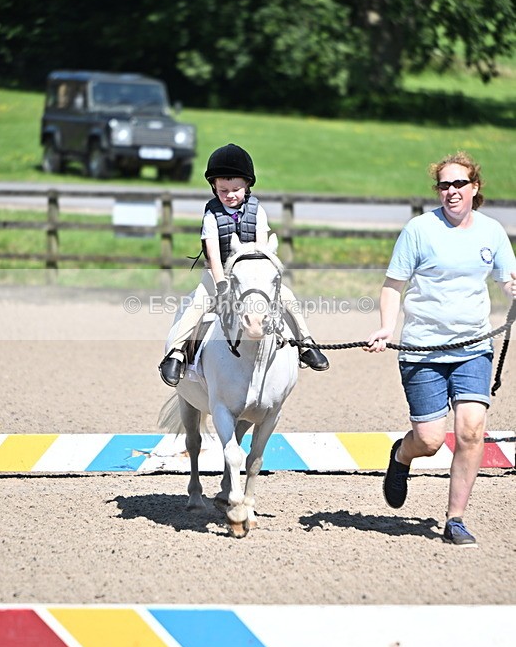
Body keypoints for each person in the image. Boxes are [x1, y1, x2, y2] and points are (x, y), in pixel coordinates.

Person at [365, 151, 516, 546]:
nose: (451, 191)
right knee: (430, 440)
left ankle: (456, 519)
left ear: (474, 188)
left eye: (458, 184)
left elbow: (507, 280)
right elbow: (392, 286)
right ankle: (402, 456)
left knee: (471, 431)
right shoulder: (419, 230)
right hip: (423, 350)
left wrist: (513, 288)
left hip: (472, 347)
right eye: (444, 185)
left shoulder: (491, 232)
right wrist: (385, 327)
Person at [159, 143, 329, 386]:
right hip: (218, 276)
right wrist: (220, 285)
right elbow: (214, 256)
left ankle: (306, 343)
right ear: (214, 188)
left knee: (288, 298)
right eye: (223, 190)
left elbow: (262, 250)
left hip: (252, 276)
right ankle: (175, 353)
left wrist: (259, 279)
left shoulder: (257, 212)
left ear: (247, 185)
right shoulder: (211, 216)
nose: (230, 195)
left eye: (236, 189)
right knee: (195, 306)